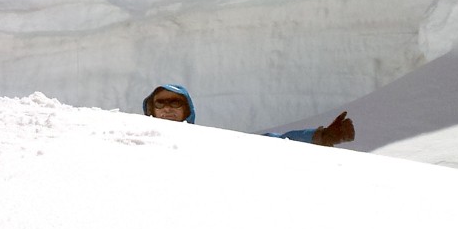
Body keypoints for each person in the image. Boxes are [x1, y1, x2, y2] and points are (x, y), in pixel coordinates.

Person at [142, 84, 355, 147]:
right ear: (151, 109)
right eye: (161, 103)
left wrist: (321, 136)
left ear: (187, 110)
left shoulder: (204, 143)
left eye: (175, 102)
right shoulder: (127, 137)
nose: (167, 108)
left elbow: (267, 144)